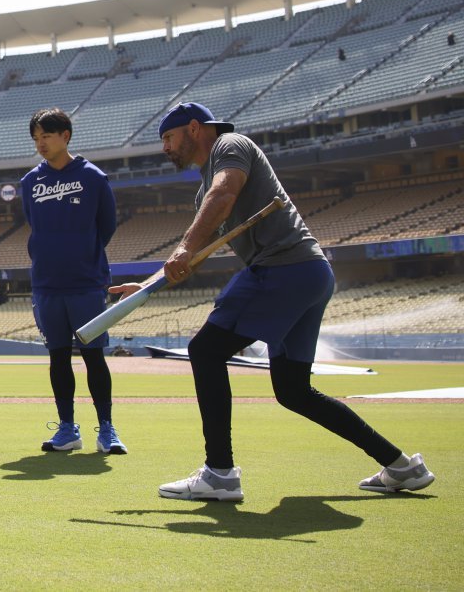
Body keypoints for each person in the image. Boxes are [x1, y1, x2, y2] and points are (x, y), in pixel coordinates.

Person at [138, 101, 436, 502]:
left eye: (168, 139)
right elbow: (191, 257)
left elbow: (224, 192)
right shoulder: (202, 192)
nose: (165, 148)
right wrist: (147, 283)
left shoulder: (230, 145)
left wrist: (185, 247)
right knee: (294, 391)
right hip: (310, 275)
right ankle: (402, 466)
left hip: (282, 269)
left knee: (205, 350)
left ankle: (220, 474)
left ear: (194, 129)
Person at [20, 107, 125, 456]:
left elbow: (107, 226)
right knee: (58, 357)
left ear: (65, 136)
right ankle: (67, 428)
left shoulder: (94, 177)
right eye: (36, 138)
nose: (40, 144)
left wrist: (82, 254)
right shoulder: (30, 182)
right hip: (47, 284)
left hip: (86, 282)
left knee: (94, 357)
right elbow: (35, 225)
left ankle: (107, 429)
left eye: (46, 136)